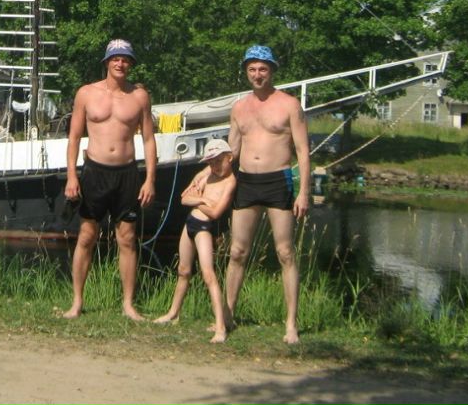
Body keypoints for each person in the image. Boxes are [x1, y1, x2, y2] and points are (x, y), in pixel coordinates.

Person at [62, 38, 157, 321]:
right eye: (116, 59)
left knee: (127, 239)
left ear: (131, 64)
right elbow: (75, 137)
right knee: (87, 236)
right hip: (94, 172)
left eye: (126, 59)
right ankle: (77, 301)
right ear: (106, 62)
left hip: (127, 173)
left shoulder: (139, 96)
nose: (121, 63)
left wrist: (150, 179)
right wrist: (71, 176)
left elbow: (150, 140)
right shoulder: (86, 94)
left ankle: (128, 304)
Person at [225, 45, 310, 344]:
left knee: (285, 253)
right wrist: (208, 178)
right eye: (252, 69)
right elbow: (231, 152)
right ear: (246, 72)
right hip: (246, 181)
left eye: (262, 69)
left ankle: (291, 324)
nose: (257, 74)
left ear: (271, 70)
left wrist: (303, 191)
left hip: (279, 181)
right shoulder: (239, 107)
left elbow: (302, 150)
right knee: (237, 252)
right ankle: (228, 316)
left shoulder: (289, 104)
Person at [154, 138, 237, 341]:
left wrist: (197, 202)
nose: (215, 166)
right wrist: (201, 200)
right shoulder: (207, 176)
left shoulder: (230, 182)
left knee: (208, 274)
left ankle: (220, 327)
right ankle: (173, 312)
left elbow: (217, 211)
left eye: (218, 161)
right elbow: (184, 198)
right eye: (211, 162)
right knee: (183, 270)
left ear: (230, 158)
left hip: (204, 228)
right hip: (190, 223)